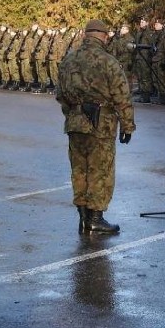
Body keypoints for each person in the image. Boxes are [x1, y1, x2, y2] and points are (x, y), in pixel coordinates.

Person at [56, 19, 136, 235]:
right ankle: (95, 219)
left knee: (79, 170)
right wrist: (127, 126)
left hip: (75, 123)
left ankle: (83, 218)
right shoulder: (108, 62)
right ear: (103, 36)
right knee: (100, 171)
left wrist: (74, 113)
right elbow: (122, 96)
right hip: (102, 125)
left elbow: (61, 95)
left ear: (85, 35)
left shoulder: (69, 60)